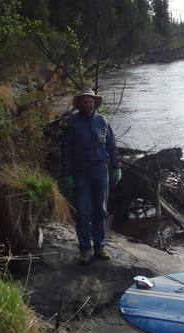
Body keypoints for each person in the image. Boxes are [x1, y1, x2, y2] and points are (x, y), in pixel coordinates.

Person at [62, 86, 122, 265]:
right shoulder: (73, 123)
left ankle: (99, 246)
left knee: (101, 210)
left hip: (101, 171)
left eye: (91, 100)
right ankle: (84, 249)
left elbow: (111, 146)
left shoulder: (103, 121)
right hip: (81, 172)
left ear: (95, 102)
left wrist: (116, 167)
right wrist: (68, 174)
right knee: (82, 212)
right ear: (80, 103)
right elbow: (66, 150)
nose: (88, 102)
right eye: (85, 100)